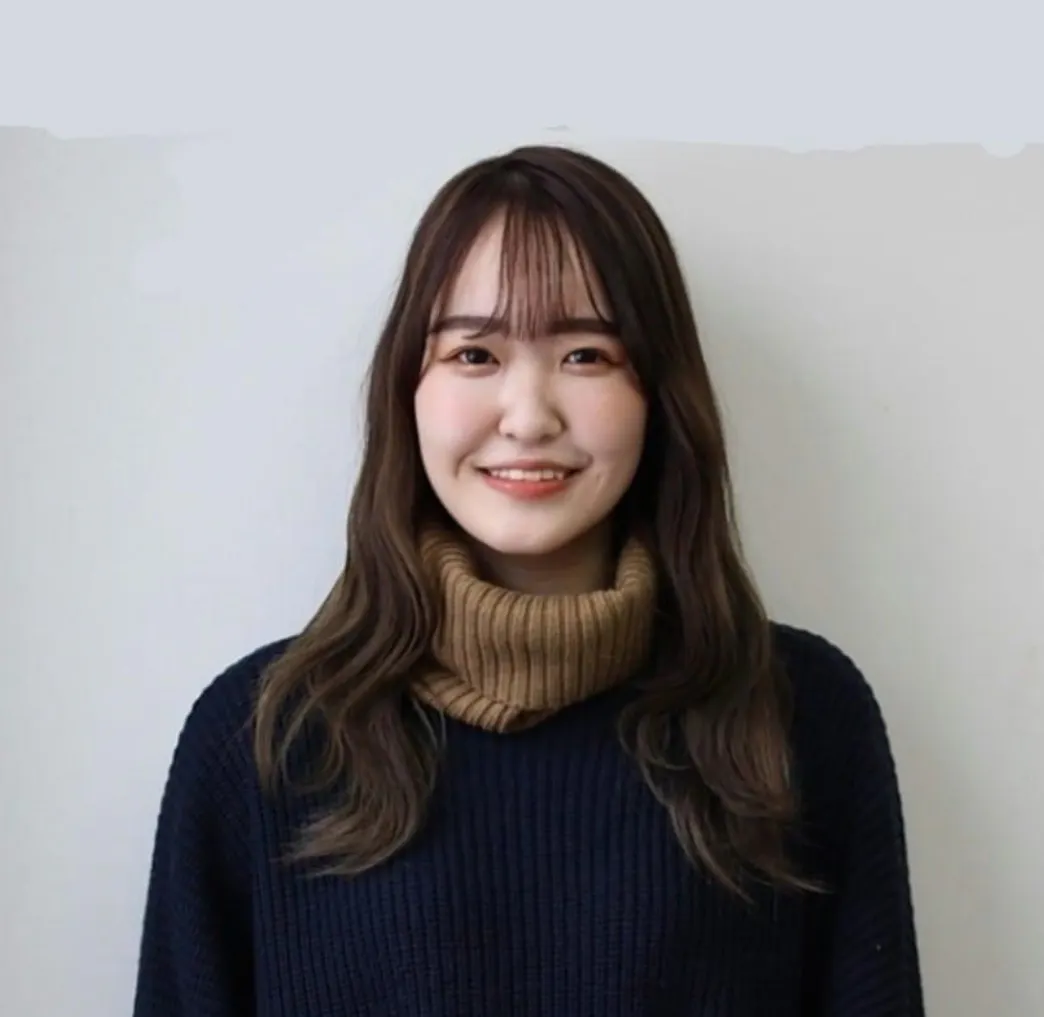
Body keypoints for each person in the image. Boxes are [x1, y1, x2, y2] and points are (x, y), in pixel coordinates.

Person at [132, 145, 924, 1016]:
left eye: (585, 354)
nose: (528, 416)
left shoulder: (800, 717)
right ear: (408, 389)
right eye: (475, 354)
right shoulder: (261, 737)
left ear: (659, 395)